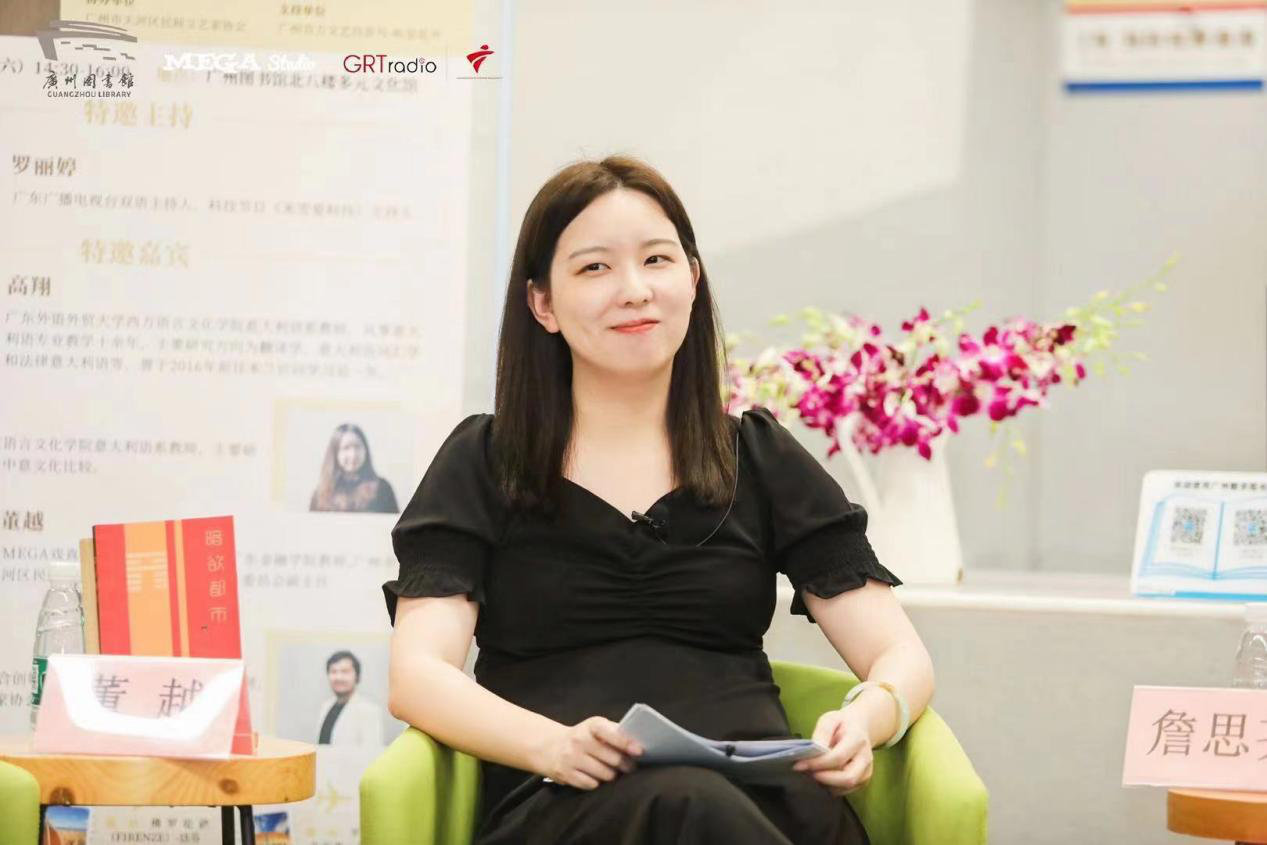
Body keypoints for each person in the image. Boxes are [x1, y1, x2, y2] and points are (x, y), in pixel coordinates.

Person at [383, 155, 937, 844]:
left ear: (693, 280)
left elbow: (901, 654)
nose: (635, 290)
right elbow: (416, 675)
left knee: (697, 805)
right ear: (542, 303)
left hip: (763, 803)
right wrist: (549, 745)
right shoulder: (483, 463)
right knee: (679, 802)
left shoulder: (761, 458)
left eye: (656, 259)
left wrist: (866, 718)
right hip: (564, 803)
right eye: (595, 267)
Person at [309, 423, 399, 513]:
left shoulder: (382, 488)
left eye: (357, 447)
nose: (353, 454)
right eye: (346, 448)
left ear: (365, 451)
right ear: (335, 454)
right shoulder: (321, 493)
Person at [315, 650, 384, 747]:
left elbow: (372, 752)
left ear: (357, 676)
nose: (338, 677)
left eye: (345, 672)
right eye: (333, 672)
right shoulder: (326, 706)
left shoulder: (369, 711)